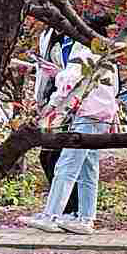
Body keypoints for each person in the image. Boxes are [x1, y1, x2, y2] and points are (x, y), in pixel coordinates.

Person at [24, 15, 118, 235]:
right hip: (101, 114)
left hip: (87, 114)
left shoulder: (83, 51)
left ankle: (52, 215)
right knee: (88, 168)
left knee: (66, 166)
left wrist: (53, 106)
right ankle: (85, 218)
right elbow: (113, 88)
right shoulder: (107, 53)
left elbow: (69, 81)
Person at [31, 24, 83, 217]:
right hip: (55, 100)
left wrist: (57, 74)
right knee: (53, 157)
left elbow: (74, 75)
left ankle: (70, 210)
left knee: (59, 157)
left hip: (71, 102)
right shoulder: (49, 36)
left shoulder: (79, 41)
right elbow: (46, 74)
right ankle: (69, 210)